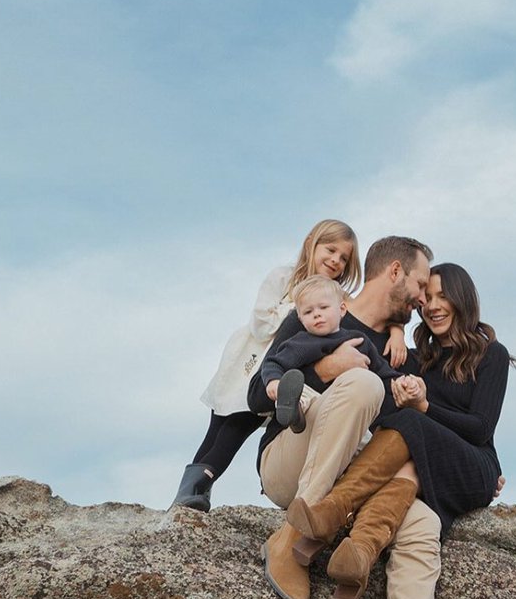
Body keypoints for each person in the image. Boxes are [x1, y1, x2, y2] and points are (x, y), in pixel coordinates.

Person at [286, 262, 516, 599]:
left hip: (473, 466)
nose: (433, 306)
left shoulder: (491, 354)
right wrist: (396, 330)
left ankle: (333, 511)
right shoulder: (413, 357)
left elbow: (480, 429)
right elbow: (387, 413)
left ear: (463, 299)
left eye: (443, 297)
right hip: (420, 464)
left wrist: (425, 407)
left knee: (412, 422)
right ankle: (360, 551)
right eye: (428, 298)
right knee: (407, 463)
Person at [248, 235, 442, 599]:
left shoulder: (397, 352)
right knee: (363, 383)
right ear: (395, 271)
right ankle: (290, 539)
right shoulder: (313, 316)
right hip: (291, 462)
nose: (424, 299)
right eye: (421, 284)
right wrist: (324, 370)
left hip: (348, 482)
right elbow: (256, 394)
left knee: (423, 521)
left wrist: (409, 392)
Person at [171, 219, 404, 512]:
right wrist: (297, 312)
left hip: (281, 371)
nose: (335, 260)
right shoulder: (285, 278)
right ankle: (191, 490)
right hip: (249, 361)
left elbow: (363, 313)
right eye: (330, 250)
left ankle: (197, 486)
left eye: (343, 258)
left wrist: (397, 329)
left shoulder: (334, 297)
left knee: (239, 425)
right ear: (312, 245)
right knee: (218, 425)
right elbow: (260, 320)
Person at [260, 276, 399, 433]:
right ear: (300, 319)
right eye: (308, 311)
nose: (316, 314)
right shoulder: (301, 343)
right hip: (313, 414)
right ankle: (294, 411)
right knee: (297, 388)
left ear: (342, 310)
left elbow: (383, 372)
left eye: (324, 307)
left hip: (349, 417)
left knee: (367, 431)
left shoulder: (358, 340)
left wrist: (402, 383)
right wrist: (273, 381)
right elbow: (274, 363)